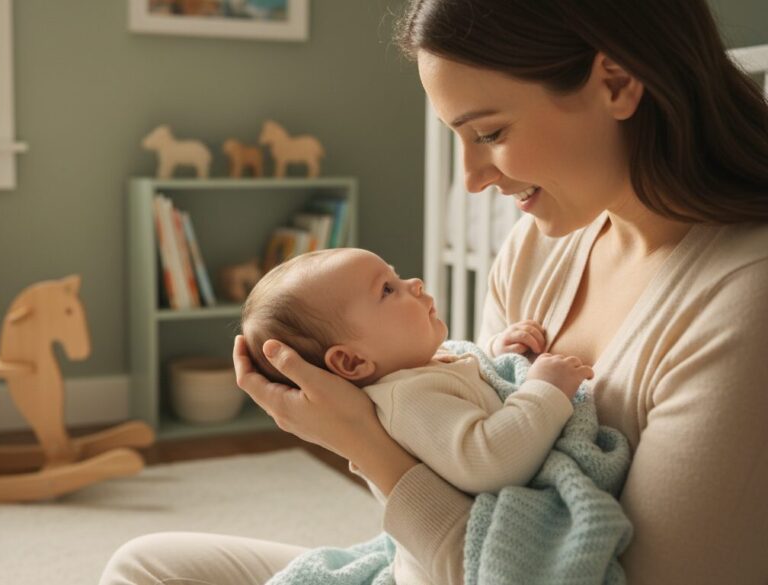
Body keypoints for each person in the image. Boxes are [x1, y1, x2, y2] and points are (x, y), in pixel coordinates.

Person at [100, 0, 768, 583]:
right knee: (150, 565)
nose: (473, 179)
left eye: (490, 133)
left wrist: (366, 444)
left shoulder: (742, 303)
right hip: (438, 561)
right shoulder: (535, 250)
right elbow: (472, 495)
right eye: (460, 138)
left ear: (616, 81)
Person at [241, 247, 597, 584]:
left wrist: (497, 356)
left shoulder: (422, 368)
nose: (415, 284)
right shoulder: (407, 399)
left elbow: (467, 382)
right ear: (352, 362)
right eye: (386, 289)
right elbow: (489, 460)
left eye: (395, 276)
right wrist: (544, 390)